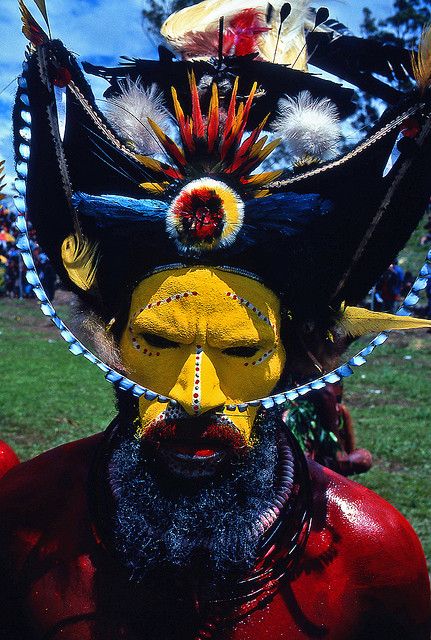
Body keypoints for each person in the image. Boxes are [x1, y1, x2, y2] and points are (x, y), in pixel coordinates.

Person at [1, 1, 431, 638]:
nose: (195, 397)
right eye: (158, 340)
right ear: (110, 338)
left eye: (240, 351)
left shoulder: (376, 558)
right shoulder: (21, 521)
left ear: (295, 356)